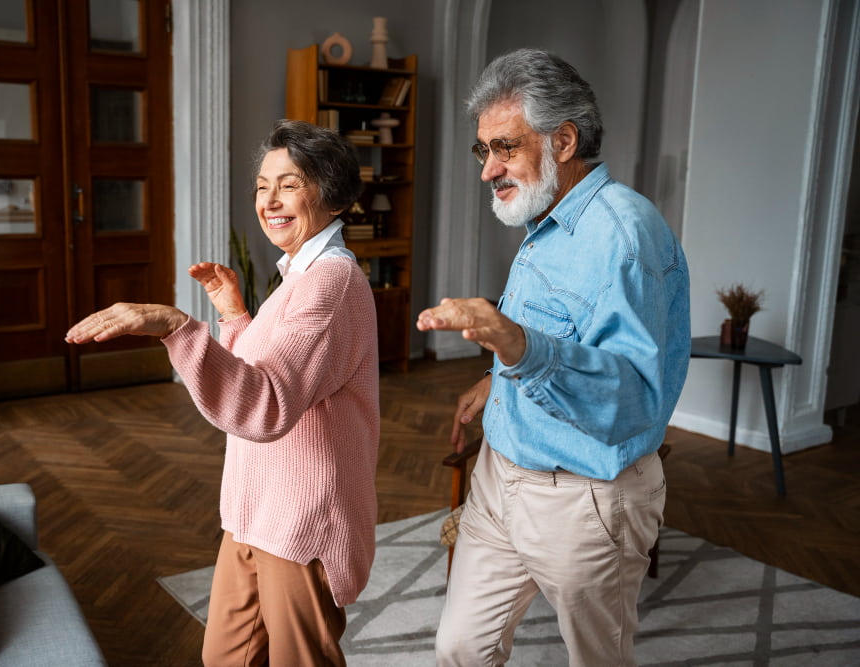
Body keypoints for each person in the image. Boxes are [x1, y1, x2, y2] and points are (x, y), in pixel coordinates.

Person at [65, 119, 379, 666]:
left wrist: (175, 327)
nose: (270, 200)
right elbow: (267, 370)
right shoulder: (301, 277)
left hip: (300, 521)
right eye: (262, 185)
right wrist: (234, 317)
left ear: (331, 193)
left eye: (289, 183)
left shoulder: (331, 282)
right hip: (253, 510)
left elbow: (268, 405)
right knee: (225, 659)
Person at [418, 49, 691, 666]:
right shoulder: (545, 221)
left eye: (505, 147)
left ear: (563, 140)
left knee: (598, 659)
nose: (489, 169)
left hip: (583, 498)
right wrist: (497, 380)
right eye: (483, 150)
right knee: (460, 646)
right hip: (499, 474)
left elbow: (633, 401)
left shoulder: (623, 235)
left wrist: (514, 345)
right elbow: (558, 332)